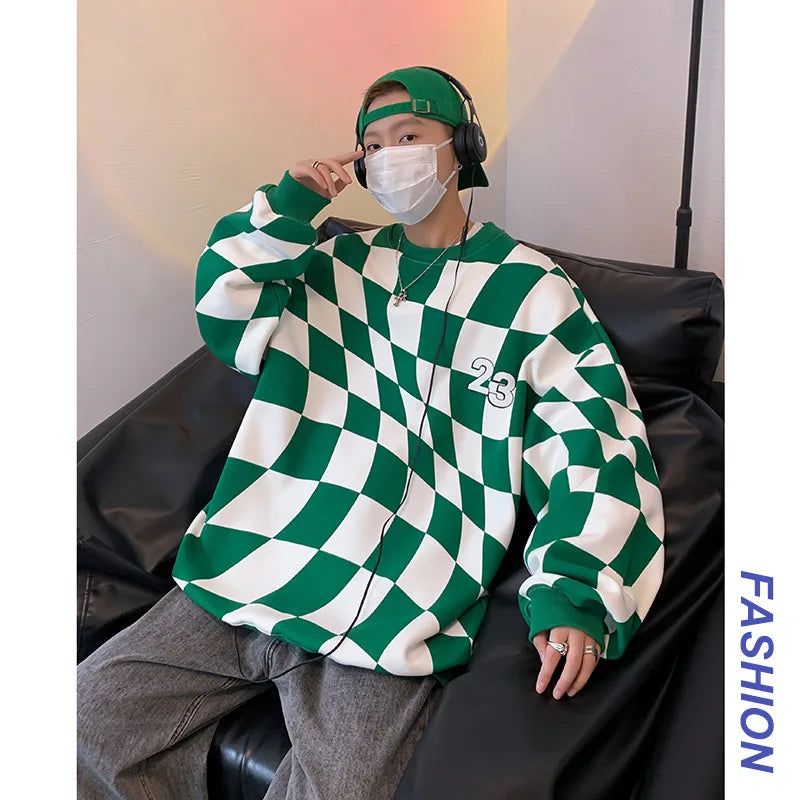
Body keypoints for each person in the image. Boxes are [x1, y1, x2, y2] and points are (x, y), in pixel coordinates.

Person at [77, 66, 665, 800]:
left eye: (409, 136)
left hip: (402, 607)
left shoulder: (533, 291)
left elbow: (595, 441)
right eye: (374, 144)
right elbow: (225, 309)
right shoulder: (325, 266)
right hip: (258, 562)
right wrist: (292, 206)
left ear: (463, 146)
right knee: (84, 718)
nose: (390, 156)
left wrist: (575, 592)